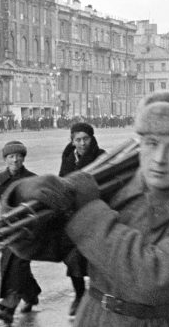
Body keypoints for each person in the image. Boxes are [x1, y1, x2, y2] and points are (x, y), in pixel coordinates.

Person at [18, 90, 169, 326]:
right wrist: (28, 195)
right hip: (92, 317)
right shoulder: (115, 190)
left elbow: (150, 280)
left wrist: (88, 210)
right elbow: (45, 247)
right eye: (151, 143)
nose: (159, 158)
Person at [0, 140, 42, 324]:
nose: (15, 160)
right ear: (5, 159)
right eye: (11, 156)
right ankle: (31, 294)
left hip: (27, 232)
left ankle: (9, 306)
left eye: (19, 156)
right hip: (6, 231)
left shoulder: (32, 178)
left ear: (23, 158)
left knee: (18, 265)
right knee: (10, 264)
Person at [58, 123, 105, 316]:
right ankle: (79, 295)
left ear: (92, 139)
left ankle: (99, 295)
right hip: (74, 215)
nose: (82, 143)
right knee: (73, 258)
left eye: (86, 138)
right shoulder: (68, 158)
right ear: (72, 140)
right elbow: (62, 180)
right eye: (78, 139)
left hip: (96, 213)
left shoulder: (102, 157)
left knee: (97, 259)